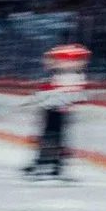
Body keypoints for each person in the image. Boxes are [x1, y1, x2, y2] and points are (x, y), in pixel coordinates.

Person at [26, 42, 88, 180]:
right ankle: (47, 164)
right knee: (52, 137)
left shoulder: (70, 76)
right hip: (55, 110)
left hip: (58, 110)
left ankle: (50, 164)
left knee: (54, 138)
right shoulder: (64, 75)